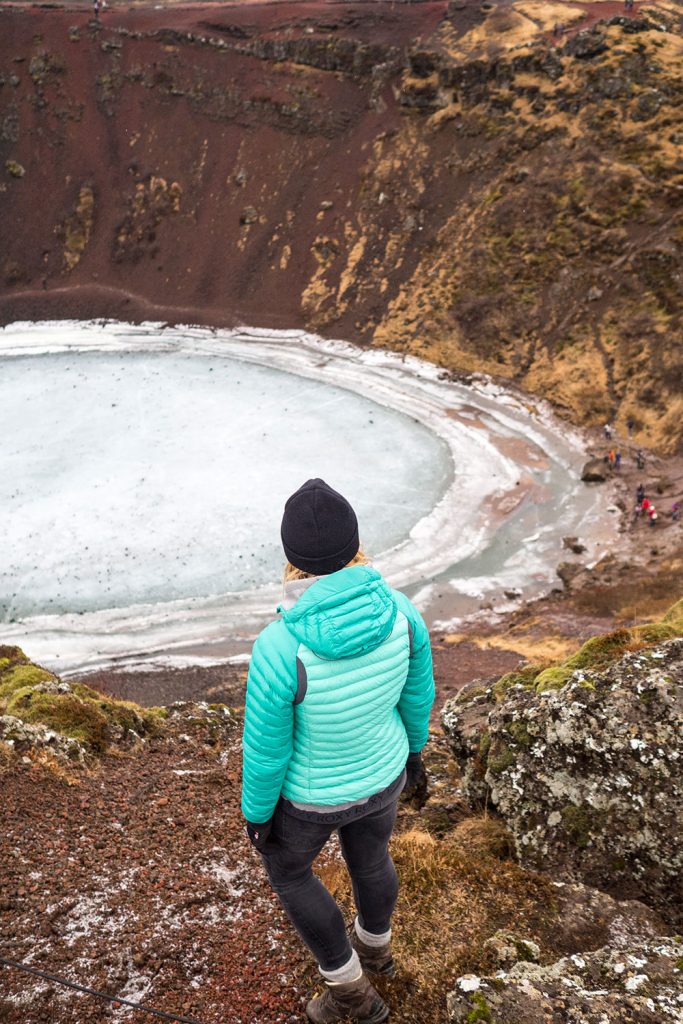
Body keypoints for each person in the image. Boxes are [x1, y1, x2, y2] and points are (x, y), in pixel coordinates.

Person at [241, 479, 435, 1024]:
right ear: (355, 546)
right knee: (371, 856)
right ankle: (376, 949)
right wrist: (414, 756)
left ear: (291, 557)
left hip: (311, 798)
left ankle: (350, 990)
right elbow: (417, 697)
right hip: (385, 774)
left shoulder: (280, 646)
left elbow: (265, 749)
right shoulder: (402, 612)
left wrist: (257, 816)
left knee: (289, 872)